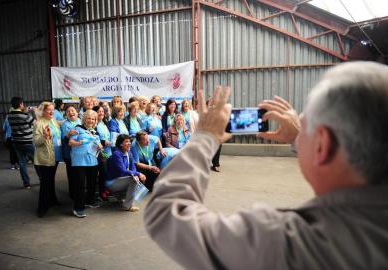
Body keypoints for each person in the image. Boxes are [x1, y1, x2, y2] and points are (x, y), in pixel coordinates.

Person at [143, 62, 388, 269]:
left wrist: (204, 136)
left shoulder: (288, 242)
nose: (300, 132)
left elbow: (166, 214)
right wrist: (300, 137)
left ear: (322, 144)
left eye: (305, 127)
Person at [69, 110, 103, 218]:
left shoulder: (95, 132)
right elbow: (70, 142)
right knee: (80, 186)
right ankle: (78, 208)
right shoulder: (78, 128)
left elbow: (98, 145)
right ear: (84, 119)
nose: (91, 121)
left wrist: (100, 146)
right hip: (79, 161)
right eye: (89, 118)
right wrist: (79, 143)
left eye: (93, 119)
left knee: (91, 184)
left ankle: (90, 201)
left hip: (92, 161)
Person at [33, 102, 62, 218]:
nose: (51, 112)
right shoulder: (38, 123)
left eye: (52, 109)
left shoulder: (53, 121)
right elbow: (35, 142)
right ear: (43, 111)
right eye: (48, 110)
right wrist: (44, 136)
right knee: (45, 182)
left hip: (55, 155)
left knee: (51, 179)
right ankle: (42, 207)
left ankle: (52, 200)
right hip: (45, 157)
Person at [105, 134, 146, 212]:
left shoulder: (128, 152)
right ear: (121, 144)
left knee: (136, 178)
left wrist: (135, 174)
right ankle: (127, 206)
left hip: (120, 180)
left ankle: (120, 197)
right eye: (126, 141)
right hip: (112, 182)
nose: (129, 143)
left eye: (129, 141)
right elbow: (123, 171)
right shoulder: (117, 154)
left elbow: (133, 166)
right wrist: (138, 174)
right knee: (133, 180)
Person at [7, 97, 37, 189]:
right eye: (22, 104)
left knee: (22, 163)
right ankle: (42, 177)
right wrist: (33, 112)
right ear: (20, 104)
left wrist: (24, 112)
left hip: (16, 143)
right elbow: (36, 123)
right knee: (37, 161)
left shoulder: (10, 116)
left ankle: (26, 183)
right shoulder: (25, 116)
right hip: (28, 142)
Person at [60, 105, 81, 199]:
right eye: (68, 111)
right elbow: (64, 140)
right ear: (66, 114)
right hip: (69, 154)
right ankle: (73, 194)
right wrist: (68, 134)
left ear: (77, 113)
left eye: (73, 110)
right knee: (72, 175)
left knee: (80, 175)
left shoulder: (81, 121)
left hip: (81, 154)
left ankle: (80, 193)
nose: (71, 112)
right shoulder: (65, 124)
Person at [93, 105, 112, 201]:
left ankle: (105, 189)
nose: (101, 113)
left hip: (108, 151)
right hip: (100, 152)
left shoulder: (105, 123)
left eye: (102, 111)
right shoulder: (94, 125)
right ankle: (101, 192)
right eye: (99, 111)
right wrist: (104, 142)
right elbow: (95, 139)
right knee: (103, 172)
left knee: (107, 171)